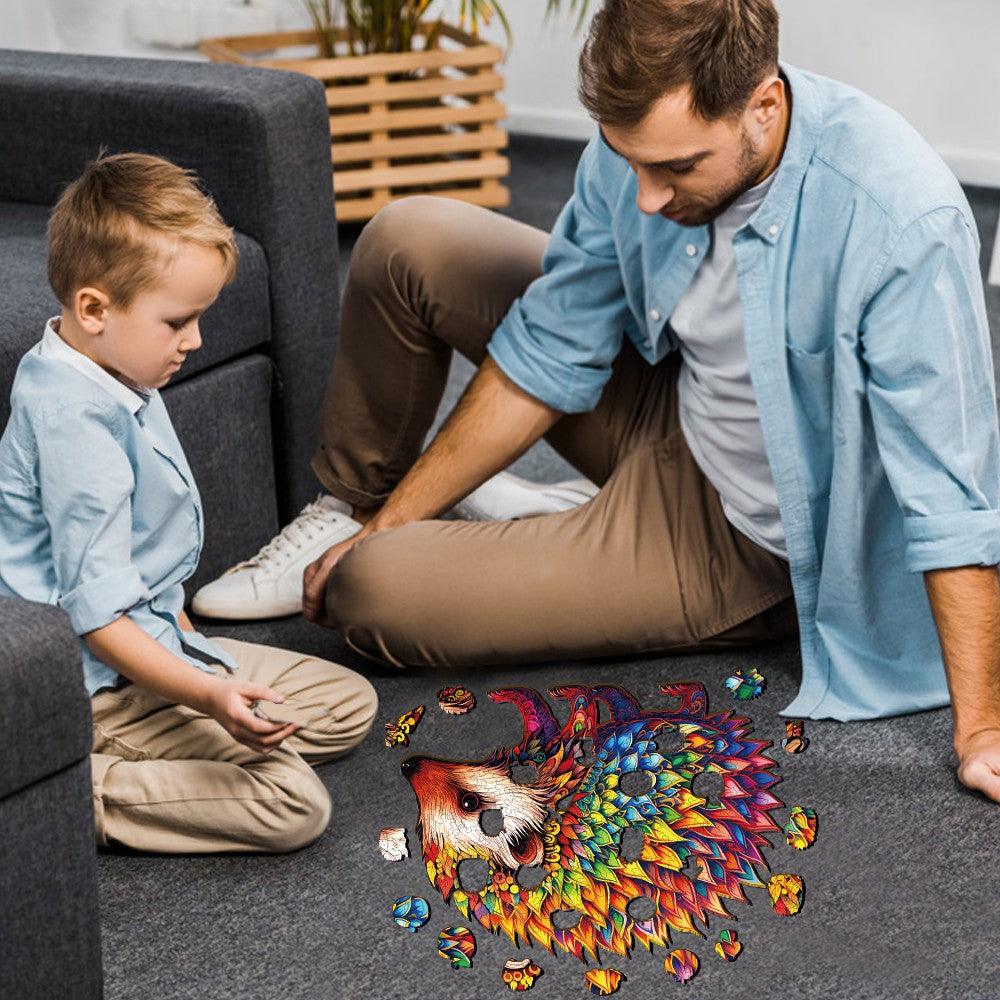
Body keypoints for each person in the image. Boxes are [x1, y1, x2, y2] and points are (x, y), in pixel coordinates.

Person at [194, 0, 1000, 803]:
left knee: (367, 591)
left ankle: (516, 530)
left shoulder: (899, 218)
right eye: (631, 160)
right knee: (409, 241)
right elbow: (552, 342)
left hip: (751, 538)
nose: (647, 196)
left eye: (678, 168)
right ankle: (354, 508)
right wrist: (386, 521)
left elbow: (948, 492)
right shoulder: (643, 145)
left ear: (764, 105)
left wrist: (983, 730)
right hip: (675, 399)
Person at [0, 151, 378, 853]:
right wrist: (205, 695)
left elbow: (141, 565)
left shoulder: (113, 368)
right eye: (178, 322)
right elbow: (100, 622)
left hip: (152, 645)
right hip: (99, 685)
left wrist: (189, 650)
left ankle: (190, 750)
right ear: (94, 308)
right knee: (293, 804)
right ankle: (73, 788)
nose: (195, 341)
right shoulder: (73, 424)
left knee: (349, 706)